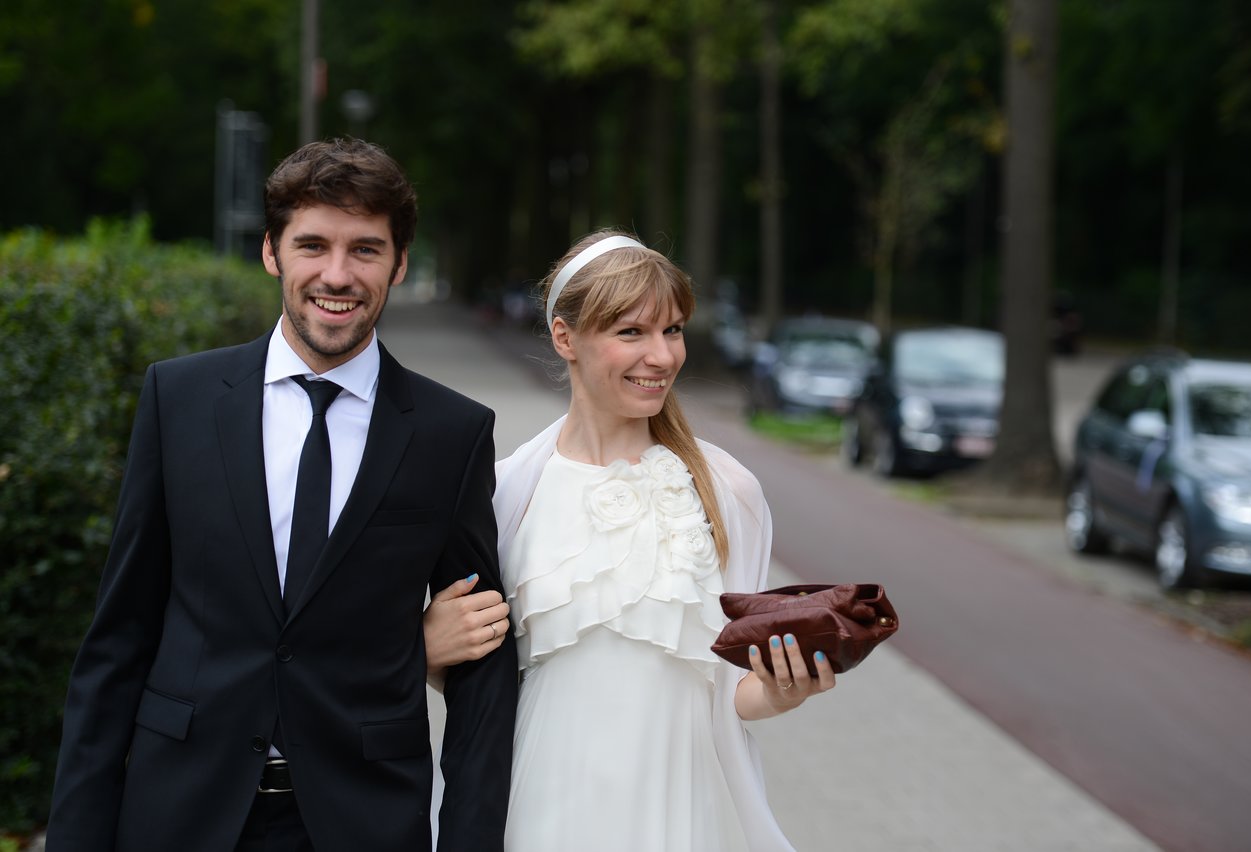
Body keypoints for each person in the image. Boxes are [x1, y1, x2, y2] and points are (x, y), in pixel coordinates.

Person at [45, 138, 516, 852]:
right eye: (312, 245)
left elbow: (483, 667)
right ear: (271, 252)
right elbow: (119, 640)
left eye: (365, 249)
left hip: (362, 822)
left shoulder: (452, 433)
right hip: (179, 813)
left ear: (400, 262)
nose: (337, 274)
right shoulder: (179, 399)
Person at [424, 229, 836, 851]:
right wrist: (427, 650)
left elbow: (734, 693)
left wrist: (782, 691)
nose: (663, 356)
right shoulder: (505, 493)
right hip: (537, 805)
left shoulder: (728, 492)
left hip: (677, 807)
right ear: (566, 338)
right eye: (631, 332)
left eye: (671, 330)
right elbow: (470, 677)